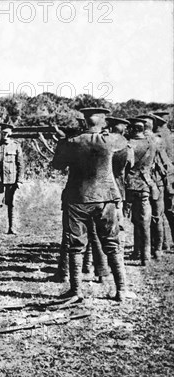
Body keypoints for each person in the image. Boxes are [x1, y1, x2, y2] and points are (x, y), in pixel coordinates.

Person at [52, 107, 130, 301]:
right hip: (106, 198)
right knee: (112, 243)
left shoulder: (71, 142)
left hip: (77, 198)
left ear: (84, 122)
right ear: (103, 123)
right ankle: (121, 290)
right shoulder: (112, 140)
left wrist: (64, 140)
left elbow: (57, 165)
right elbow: (123, 148)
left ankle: (76, 290)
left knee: (75, 245)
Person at [138, 114, 174, 261]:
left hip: (140, 184)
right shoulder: (158, 141)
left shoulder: (136, 141)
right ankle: (158, 250)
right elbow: (167, 164)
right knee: (157, 217)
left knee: (140, 218)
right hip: (157, 183)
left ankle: (141, 251)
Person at [125, 118, 157, 266]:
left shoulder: (129, 144)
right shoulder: (151, 144)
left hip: (129, 186)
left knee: (126, 220)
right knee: (144, 220)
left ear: (132, 129)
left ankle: (132, 252)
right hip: (145, 184)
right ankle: (145, 256)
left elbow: (126, 165)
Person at [0, 123, 24, 234]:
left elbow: (21, 164)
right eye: (3, 133)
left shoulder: (16, 145)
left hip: (12, 178)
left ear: (11, 133)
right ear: (0, 133)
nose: (5, 135)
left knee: (11, 203)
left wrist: (20, 180)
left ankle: (12, 228)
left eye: (7, 133)